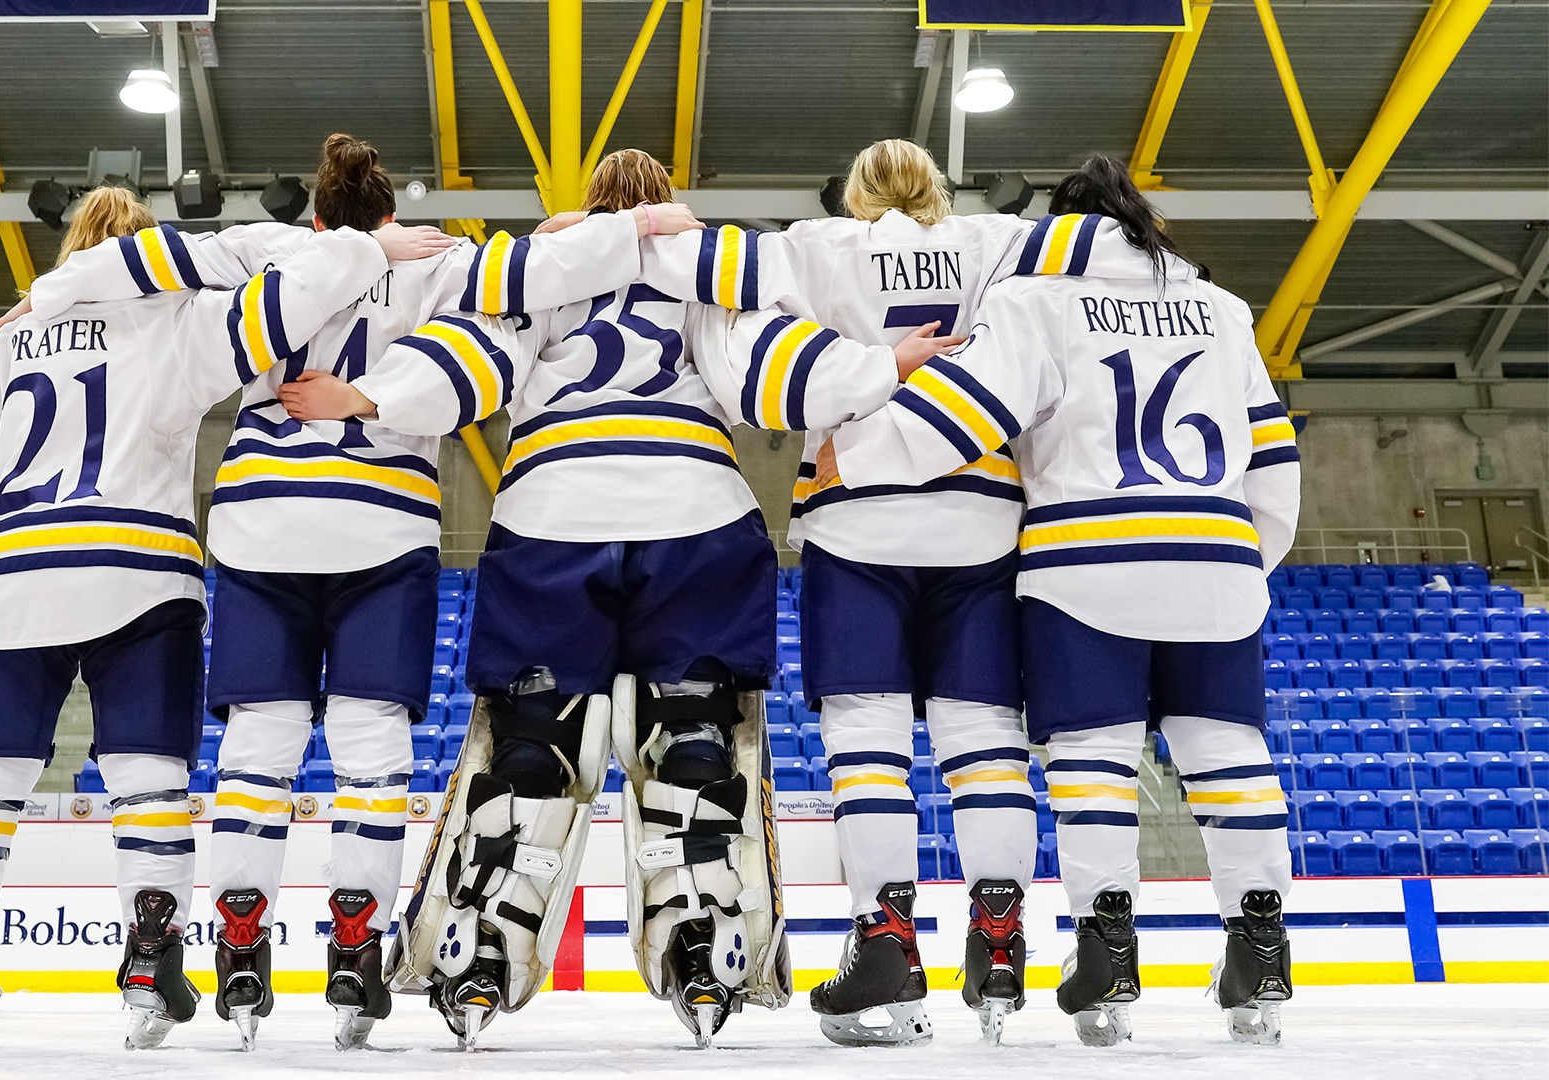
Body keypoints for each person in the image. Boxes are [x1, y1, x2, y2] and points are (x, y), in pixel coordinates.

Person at [4, 133, 702, 1051]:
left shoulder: (274, 248)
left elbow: (142, 256)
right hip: (383, 525)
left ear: (321, 213)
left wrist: (37, 300)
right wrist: (638, 221)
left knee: (260, 743)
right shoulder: (444, 261)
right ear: (389, 213)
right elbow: (541, 268)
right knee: (370, 751)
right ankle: (355, 948)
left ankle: (244, 942)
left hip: (260, 521)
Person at [280, 148, 959, 1050]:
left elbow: (469, 363)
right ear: (669, 208)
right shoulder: (706, 275)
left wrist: (365, 396)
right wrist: (880, 367)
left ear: (590, 208)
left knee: (530, 749)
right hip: (700, 518)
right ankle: (704, 932)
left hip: (552, 515)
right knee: (694, 749)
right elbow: (770, 372)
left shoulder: (546, 270)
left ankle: (478, 942)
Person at [0, 184, 440, 1051]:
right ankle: (151, 960)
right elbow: (295, 288)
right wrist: (372, 247)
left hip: (7, 576)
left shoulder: (4, 344)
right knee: (148, 783)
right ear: (151, 254)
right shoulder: (183, 323)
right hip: (139, 571)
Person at [813, 155, 1302, 1046]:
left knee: (1092, 762)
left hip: (1086, 559)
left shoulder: (1038, 299)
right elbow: (1273, 460)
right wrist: (1241, 565)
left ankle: (1106, 951)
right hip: (1218, 556)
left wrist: (863, 454)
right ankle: (1261, 951)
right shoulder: (1225, 312)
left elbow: (971, 409)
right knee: (1229, 756)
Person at [629, 138, 1040, 1046]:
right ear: (936, 189)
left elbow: (701, 259)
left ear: (854, 193)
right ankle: (1001, 937)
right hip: (983, 518)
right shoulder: (994, 244)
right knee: (985, 739)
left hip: (857, 517)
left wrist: (646, 217)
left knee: (868, 741)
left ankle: (885, 940)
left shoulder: (816, 246)